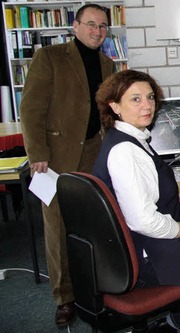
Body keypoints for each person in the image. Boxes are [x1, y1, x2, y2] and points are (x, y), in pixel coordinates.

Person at [92, 70, 180, 333]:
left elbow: (142, 187)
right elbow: (142, 220)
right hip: (143, 255)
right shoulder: (126, 151)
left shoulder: (128, 138)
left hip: (126, 248)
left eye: (149, 97)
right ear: (114, 106)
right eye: (135, 99)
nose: (147, 105)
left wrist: (172, 194)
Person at [19, 4, 116, 327]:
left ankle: (95, 287)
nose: (97, 31)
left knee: (95, 223)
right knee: (58, 227)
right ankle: (64, 297)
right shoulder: (50, 58)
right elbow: (31, 110)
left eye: (103, 26)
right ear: (75, 26)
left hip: (94, 152)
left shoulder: (107, 63)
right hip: (56, 156)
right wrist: (37, 154)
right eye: (91, 24)